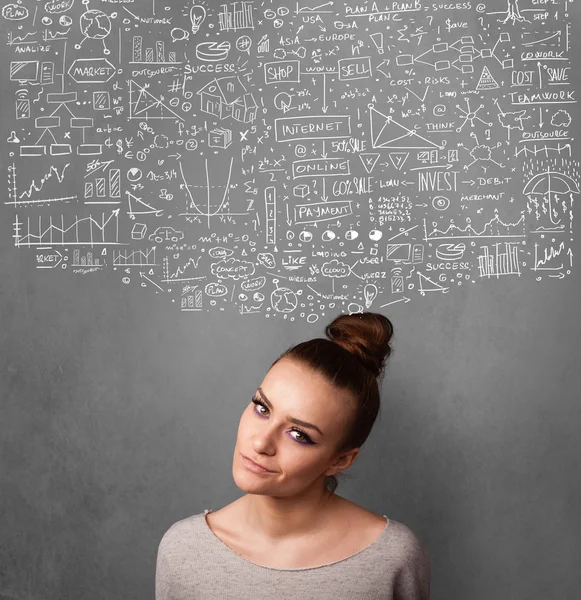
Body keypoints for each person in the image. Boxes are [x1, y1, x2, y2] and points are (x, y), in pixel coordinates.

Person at [156, 312, 431, 599]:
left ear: (341, 460)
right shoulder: (183, 550)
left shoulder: (392, 559)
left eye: (299, 434)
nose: (262, 442)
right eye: (262, 408)